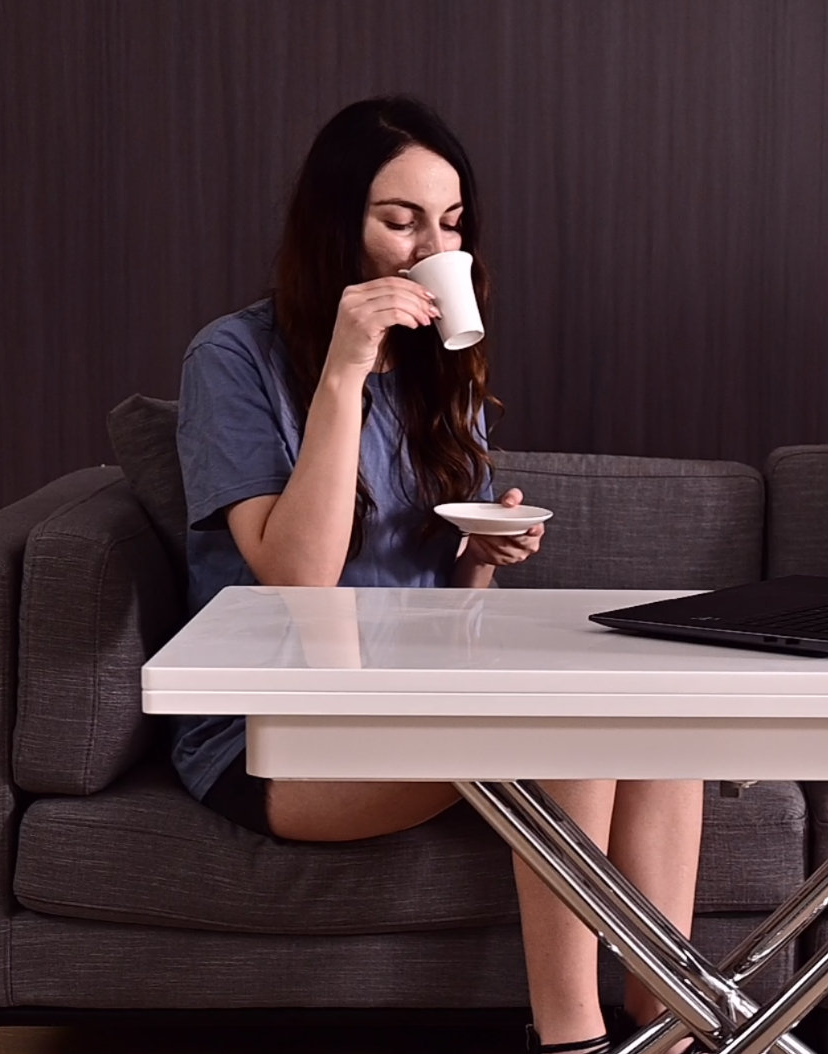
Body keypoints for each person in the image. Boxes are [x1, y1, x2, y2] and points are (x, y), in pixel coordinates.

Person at [172, 95, 704, 1054]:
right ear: (336, 223)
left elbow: (449, 618)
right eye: (399, 220)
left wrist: (478, 557)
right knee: (572, 734)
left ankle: (664, 1026)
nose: (429, 248)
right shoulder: (233, 358)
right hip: (277, 727)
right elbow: (296, 575)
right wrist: (343, 370)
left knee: (660, 722)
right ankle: (571, 1039)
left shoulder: (438, 366)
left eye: (449, 224)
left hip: (415, 695)